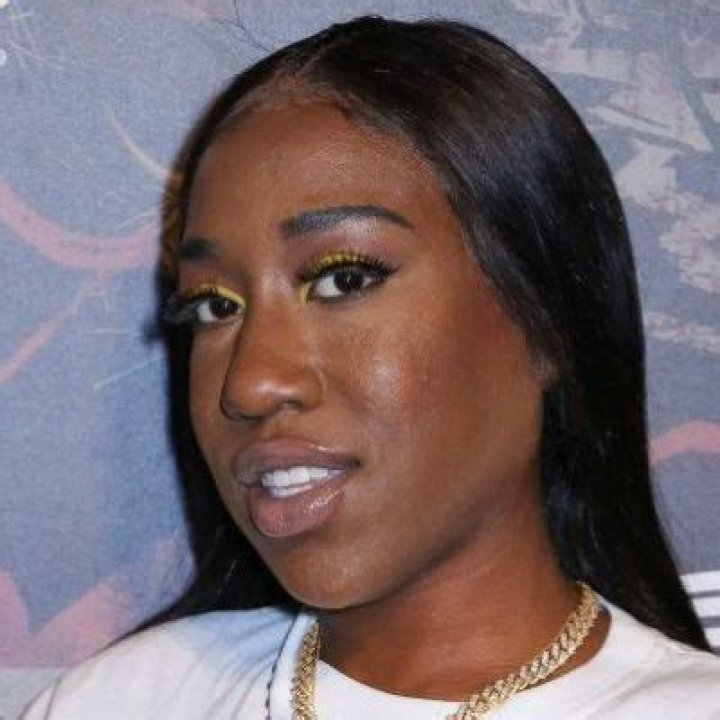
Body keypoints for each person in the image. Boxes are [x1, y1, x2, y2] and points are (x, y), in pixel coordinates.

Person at [23, 16, 720, 719]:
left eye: (345, 280)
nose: (250, 384)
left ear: (547, 322)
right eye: (213, 306)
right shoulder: (117, 702)